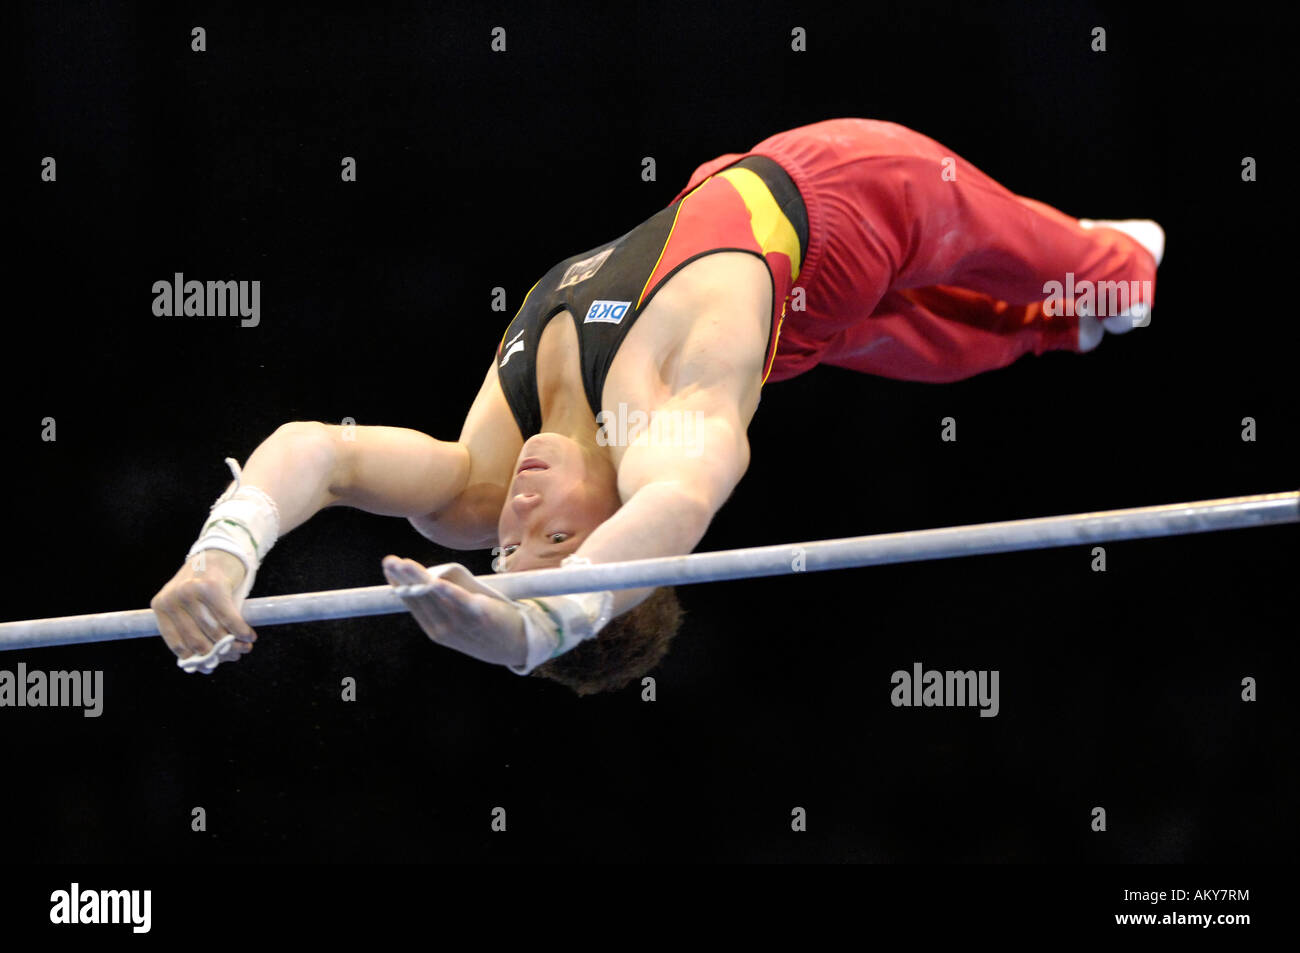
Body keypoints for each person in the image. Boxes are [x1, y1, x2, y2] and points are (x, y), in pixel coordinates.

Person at [150, 117, 1163, 693]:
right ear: (607, 539)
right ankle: (1103, 288)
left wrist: (222, 552)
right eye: (546, 545)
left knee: (913, 339)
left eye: (502, 551)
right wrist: (536, 627)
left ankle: (1062, 327)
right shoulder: (669, 436)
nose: (509, 523)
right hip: (847, 190)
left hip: (780, 290)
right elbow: (676, 509)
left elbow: (316, 455)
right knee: (1096, 270)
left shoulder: (477, 481)